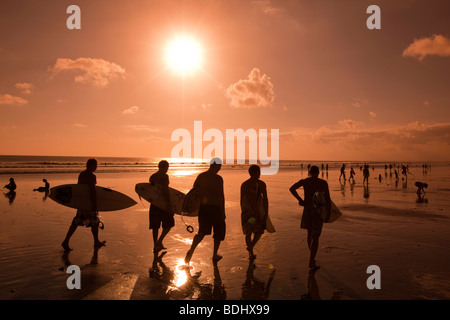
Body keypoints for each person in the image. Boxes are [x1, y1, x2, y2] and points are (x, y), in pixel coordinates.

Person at [290, 165, 331, 272]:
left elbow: (292, 188)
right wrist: (328, 213)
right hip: (318, 211)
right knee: (316, 237)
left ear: (309, 172)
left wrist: (300, 200)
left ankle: (312, 258)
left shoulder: (305, 181)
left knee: (309, 234)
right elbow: (327, 199)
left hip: (307, 210)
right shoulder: (323, 183)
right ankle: (311, 260)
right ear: (318, 172)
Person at [185, 158, 226, 264]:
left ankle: (191, 250)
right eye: (219, 166)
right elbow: (220, 196)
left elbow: (194, 192)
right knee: (218, 232)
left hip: (203, 209)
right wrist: (223, 212)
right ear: (215, 166)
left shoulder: (201, 176)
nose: (220, 168)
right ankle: (214, 255)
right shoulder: (218, 179)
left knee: (202, 232)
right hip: (215, 208)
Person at [61, 159, 105, 251]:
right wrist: (94, 204)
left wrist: (78, 202)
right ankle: (96, 242)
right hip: (88, 203)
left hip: (82, 203)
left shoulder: (82, 174)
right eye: (96, 166)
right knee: (94, 221)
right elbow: (92, 191)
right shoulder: (92, 176)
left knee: (78, 221)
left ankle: (66, 241)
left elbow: (78, 188)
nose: (96, 168)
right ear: (92, 166)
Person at [240, 165, 268, 260]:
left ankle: (251, 252)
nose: (260, 173)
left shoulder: (244, 184)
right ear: (256, 172)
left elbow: (241, 199)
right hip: (257, 212)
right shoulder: (261, 184)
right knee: (259, 231)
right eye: (259, 171)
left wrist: (243, 211)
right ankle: (251, 247)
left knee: (248, 232)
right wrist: (266, 212)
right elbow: (265, 199)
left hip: (246, 211)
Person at [149, 160, 174, 253]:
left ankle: (156, 244)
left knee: (155, 226)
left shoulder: (152, 176)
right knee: (170, 223)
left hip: (154, 204)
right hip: (163, 204)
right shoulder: (165, 176)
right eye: (167, 168)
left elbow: (150, 191)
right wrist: (169, 205)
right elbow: (165, 191)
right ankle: (159, 241)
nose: (167, 170)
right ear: (164, 167)